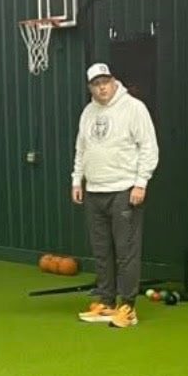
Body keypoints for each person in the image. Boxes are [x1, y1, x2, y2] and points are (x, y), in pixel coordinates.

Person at [71, 63, 159, 329]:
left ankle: (128, 308)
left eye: (105, 82)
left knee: (126, 252)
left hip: (124, 190)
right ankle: (106, 302)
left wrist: (140, 183)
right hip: (95, 190)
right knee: (101, 252)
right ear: (90, 88)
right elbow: (81, 148)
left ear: (114, 81)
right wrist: (77, 179)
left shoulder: (134, 108)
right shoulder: (88, 111)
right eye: (96, 84)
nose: (102, 87)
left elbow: (149, 146)